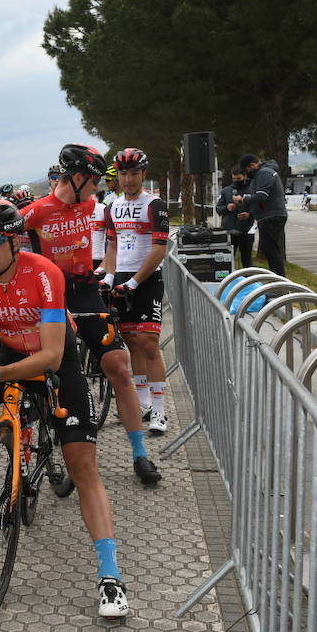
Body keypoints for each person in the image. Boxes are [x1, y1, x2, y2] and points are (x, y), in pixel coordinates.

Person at [0, 199, 131, 617]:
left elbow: (50, 355)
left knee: (83, 466)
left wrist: (0, 373)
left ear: (15, 243)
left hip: (55, 360)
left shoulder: (44, 273)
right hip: (9, 353)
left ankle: (110, 576)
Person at [22, 145, 160, 482]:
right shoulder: (36, 212)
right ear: (78, 176)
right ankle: (25, 458)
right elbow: (9, 248)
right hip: (48, 295)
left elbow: (112, 244)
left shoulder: (96, 208)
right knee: (34, 378)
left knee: (119, 366)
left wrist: (109, 274)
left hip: (85, 291)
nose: (100, 186)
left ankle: (140, 454)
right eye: (96, 179)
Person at [100, 148, 171, 436]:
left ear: (144, 174)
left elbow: (159, 248)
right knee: (131, 341)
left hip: (147, 278)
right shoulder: (111, 208)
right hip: (122, 277)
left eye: (133, 173)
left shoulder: (155, 205)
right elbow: (113, 246)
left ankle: (160, 410)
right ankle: (142, 402)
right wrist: (108, 275)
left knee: (150, 344)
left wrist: (134, 282)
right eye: (124, 174)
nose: (128, 179)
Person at [238, 154, 288, 276]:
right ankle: (278, 282)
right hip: (268, 216)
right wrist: (251, 214)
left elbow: (261, 196)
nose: (247, 174)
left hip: (271, 216)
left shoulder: (264, 173)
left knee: (272, 252)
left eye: (247, 170)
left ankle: (279, 285)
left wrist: (244, 198)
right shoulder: (264, 173)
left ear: (253, 165)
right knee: (271, 251)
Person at [217, 167, 255, 269]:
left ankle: (248, 280)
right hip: (229, 230)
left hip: (246, 230)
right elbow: (218, 209)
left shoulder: (252, 190)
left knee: (247, 261)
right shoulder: (226, 191)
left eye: (239, 179)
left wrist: (249, 214)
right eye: (234, 179)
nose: (236, 181)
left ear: (245, 176)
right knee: (226, 261)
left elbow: (259, 208)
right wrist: (227, 208)